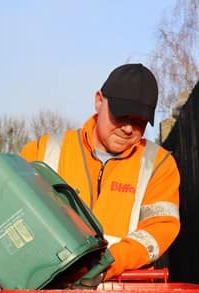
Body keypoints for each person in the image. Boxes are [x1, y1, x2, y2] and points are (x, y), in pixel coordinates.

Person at [20, 63, 180, 280]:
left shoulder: (159, 165)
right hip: (49, 289)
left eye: (139, 121)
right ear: (98, 100)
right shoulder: (41, 152)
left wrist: (109, 263)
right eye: (122, 115)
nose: (128, 128)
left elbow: (159, 228)